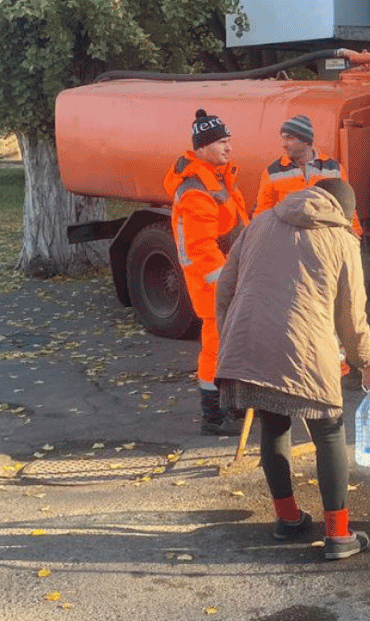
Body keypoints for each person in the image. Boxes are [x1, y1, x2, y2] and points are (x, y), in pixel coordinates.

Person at [216, 178, 370, 561]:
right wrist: (368, 363)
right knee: (328, 430)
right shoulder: (342, 240)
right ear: (343, 211)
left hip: (249, 344)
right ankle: (339, 535)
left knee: (273, 424)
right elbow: (351, 317)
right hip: (303, 350)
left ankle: (288, 518)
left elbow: (224, 287)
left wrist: (233, 342)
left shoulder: (259, 222)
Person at [164, 109, 252, 435]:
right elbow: (202, 250)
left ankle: (231, 407)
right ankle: (214, 417)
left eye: (229, 141)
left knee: (230, 346)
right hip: (215, 286)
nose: (229, 148)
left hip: (227, 281)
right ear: (202, 147)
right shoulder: (197, 189)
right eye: (222, 142)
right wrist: (230, 282)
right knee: (215, 349)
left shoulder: (217, 180)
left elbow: (237, 228)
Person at [255, 114, 363, 236]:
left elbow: (347, 208)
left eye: (289, 138)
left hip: (325, 243)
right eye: (283, 138)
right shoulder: (272, 173)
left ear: (306, 140)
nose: (284, 144)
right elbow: (262, 213)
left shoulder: (334, 170)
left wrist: (355, 236)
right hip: (289, 244)